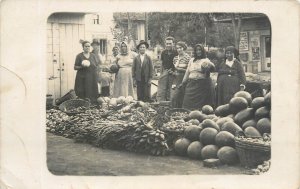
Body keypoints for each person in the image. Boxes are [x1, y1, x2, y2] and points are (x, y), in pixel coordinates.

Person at [180, 44, 215, 110]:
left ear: (202, 51)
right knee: (187, 103)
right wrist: (183, 82)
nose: (198, 52)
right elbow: (187, 71)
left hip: (201, 86)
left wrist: (209, 66)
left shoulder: (206, 60)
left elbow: (213, 69)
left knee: (201, 107)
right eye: (196, 50)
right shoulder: (192, 60)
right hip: (191, 85)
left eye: (200, 50)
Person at [156, 36, 178, 102]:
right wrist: (161, 74)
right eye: (167, 43)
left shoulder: (176, 52)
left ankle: (171, 105)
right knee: (162, 90)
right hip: (165, 72)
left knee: (172, 91)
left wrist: (174, 72)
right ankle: (161, 104)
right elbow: (162, 64)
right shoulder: (163, 52)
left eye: (170, 43)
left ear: (173, 44)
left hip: (173, 74)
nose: (168, 45)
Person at [171, 41, 191, 108]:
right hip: (176, 79)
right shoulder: (175, 58)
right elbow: (175, 70)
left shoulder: (188, 58)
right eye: (177, 48)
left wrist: (181, 70)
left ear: (184, 48)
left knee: (183, 96)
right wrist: (173, 73)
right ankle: (175, 110)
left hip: (184, 78)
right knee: (175, 97)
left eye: (180, 48)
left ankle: (183, 110)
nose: (179, 50)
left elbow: (189, 71)